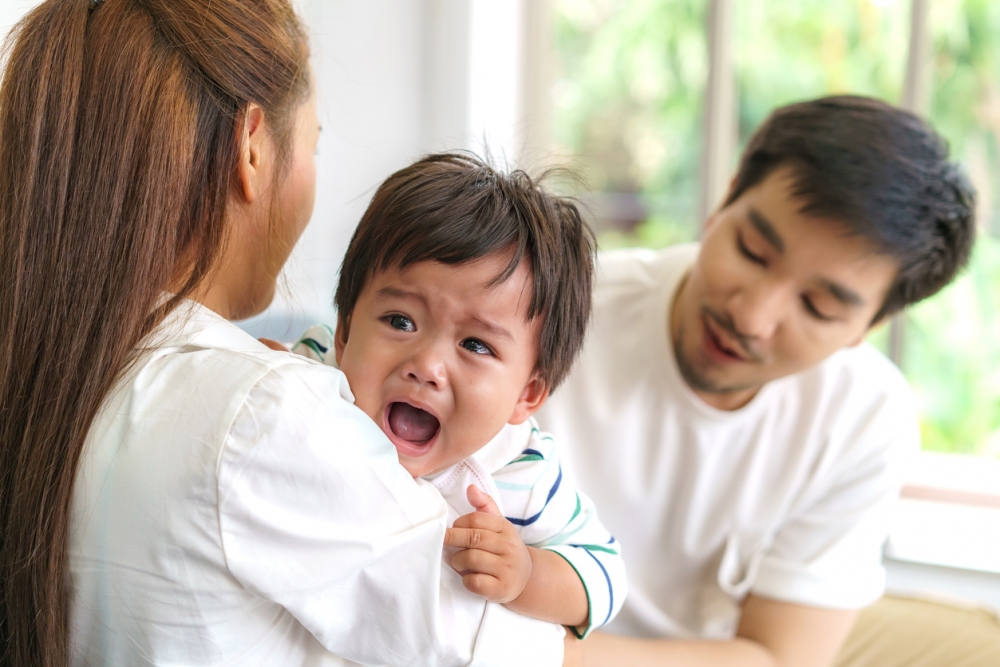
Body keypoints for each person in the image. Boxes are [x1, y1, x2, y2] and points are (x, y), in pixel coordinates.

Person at [0, 1, 568, 666]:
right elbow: (508, 653)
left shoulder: (46, 366)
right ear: (251, 149)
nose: (426, 365)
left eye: (476, 344)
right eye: (313, 144)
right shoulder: (262, 412)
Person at [536, 95, 995, 667]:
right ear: (724, 201)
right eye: (752, 252)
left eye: (819, 307)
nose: (751, 317)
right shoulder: (552, 310)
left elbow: (778, 656)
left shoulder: (864, 418)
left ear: (868, 327)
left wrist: (529, 655)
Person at [291, 152, 626, 637]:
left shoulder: (521, 472)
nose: (427, 366)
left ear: (526, 395)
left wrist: (527, 574)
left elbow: (606, 575)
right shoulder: (316, 371)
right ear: (344, 332)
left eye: (476, 345)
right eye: (400, 321)